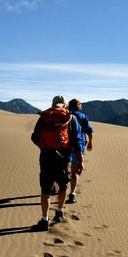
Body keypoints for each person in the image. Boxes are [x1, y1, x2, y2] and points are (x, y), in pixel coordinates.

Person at [31, 95, 84, 231]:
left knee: (45, 190)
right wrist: (80, 160)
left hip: (46, 157)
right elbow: (77, 141)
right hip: (64, 158)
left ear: (52, 104)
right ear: (65, 105)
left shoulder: (44, 117)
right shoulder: (71, 118)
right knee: (63, 185)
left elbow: (34, 137)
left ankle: (44, 220)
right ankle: (59, 212)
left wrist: (44, 147)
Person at [67, 99, 94, 203]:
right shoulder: (82, 116)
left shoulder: (65, 115)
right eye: (80, 104)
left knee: (62, 168)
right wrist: (91, 142)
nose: (81, 106)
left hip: (63, 146)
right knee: (75, 171)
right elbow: (90, 131)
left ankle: (59, 187)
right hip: (78, 146)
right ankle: (72, 193)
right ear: (78, 105)